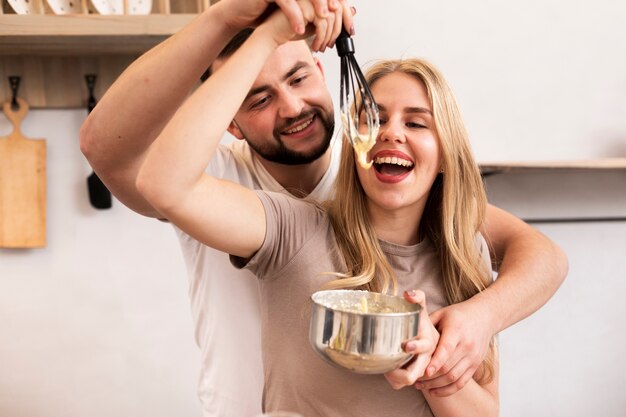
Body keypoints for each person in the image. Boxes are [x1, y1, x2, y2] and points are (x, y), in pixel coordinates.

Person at [79, 0, 567, 415]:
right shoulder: (283, 219)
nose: (291, 108)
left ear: (320, 68)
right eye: (258, 98)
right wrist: (247, 25)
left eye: (296, 78)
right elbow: (130, 161)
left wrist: (472, 324)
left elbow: (542, 255)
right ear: (230, 122)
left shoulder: (450, 237)